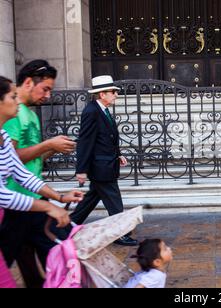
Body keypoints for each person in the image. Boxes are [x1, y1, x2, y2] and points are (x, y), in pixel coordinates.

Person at [0, 60, 78, 288]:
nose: (18, 102)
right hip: (14, 206)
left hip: (23, 204)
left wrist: (59, 198)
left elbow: (23, 174)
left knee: (30, 258)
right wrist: (48, 206)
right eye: (12, 97)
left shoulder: (3, 139)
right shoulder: (14, 122)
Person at [70, 75, 137, 246]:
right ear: (102, 94)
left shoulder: (103, 110)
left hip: (107, 163)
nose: (116, 94)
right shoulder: (91, 111)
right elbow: (85, 141)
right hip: (100, 167)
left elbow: (106, 139)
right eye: (113, 92)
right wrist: (81, 169)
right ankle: (121, 234)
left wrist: (118, 154)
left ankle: (66, 227)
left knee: (91, 199)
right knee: (114, 201)